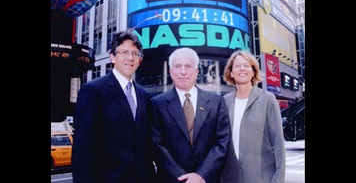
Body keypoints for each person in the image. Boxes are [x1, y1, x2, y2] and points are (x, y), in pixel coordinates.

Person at [71, 30, 156, 183]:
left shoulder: (144, 96)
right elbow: (82, 150)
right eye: (124, 52)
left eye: (135, 54)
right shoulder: (93, 91)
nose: (130, 58)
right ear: (112, 57)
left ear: (139, 60)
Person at [150, 47, 231, 183]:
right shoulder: (157, 104)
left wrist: (201, 175)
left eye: (188, 66)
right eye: (178, 66)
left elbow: (221, 142)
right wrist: (182, 178)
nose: (183, 72)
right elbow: (156, 145)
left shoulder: (216, 102)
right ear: (170, 71)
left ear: (196, 71)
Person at [220, 49, 286, 183]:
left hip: (262, 178)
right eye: (237, 66)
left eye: (246, 65)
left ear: (253, 71)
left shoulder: (268, 99)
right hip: (231, 178)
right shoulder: (225, 101)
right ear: (231, 73)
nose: (242, 69)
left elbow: (278, 143)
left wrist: (278, 179)